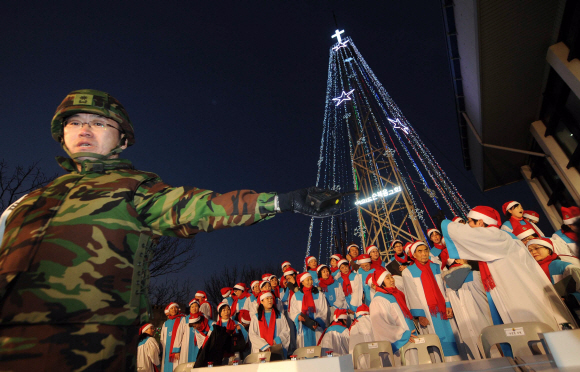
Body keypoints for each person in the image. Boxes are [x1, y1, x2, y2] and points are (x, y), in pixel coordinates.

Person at [0, 89, 341, 370]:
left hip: (84, 350)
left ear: (122, 141)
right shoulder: (28, 202)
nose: (85, 129)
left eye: (100, 123)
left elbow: (199, 208)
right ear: (63, 134)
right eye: (75, 122)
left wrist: (279, 202)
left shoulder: (134, 189)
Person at [440, 205, 577, 331]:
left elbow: (462, 234)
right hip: (516, 286)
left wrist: (444, 222)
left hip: (517, 290)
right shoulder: (501, 237)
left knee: (531, 326)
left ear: (481, 222)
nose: (468, 225)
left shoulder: (496, 236)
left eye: (470, 221)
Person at [402, 241, 461, 361]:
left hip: (443, 309)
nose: (424, 254)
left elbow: (444, 287)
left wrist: (448, 304)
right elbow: (411, 294)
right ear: (414, 254)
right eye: (420, 251)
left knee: (453, 338)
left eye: (426, 250)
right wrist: (420, 315)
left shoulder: (436, 267)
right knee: (435, 342)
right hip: (427, 312)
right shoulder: (408, 272)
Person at [442, 260, 495, 360]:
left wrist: (448, 305)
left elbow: (447, 296)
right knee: (489, 342)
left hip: (462, 316)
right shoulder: (476, 274)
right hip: (480, 312)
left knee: (471, 345)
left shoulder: (447, 280)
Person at [369, 268, 418, 366]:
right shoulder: (378, 300)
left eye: (391, 276)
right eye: (387, 278)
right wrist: (403, 335)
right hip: (401, 342)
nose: (392, 280)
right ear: (381, 282)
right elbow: (381, 326)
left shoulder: (396, 295)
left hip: (411, 338)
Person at [527, 238, 580, 324]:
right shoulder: (531, 271)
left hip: (573, 312)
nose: (533, 252)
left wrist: (569, 299)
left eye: (537, 248)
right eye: (529, 250)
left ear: (548, 250)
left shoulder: (564, 267)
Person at [289, 272, 328, 348]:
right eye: (307, 280)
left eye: (311, 279)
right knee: (304, 350)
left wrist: (318, 321)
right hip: (303, 327)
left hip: (317, 327)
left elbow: (323, 309)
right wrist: (298, 317)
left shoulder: (318, 294)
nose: (310, 281)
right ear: (302, 282)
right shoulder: (296, 295)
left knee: (318, 348)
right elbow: (293, 311)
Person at [249, 291, 291, 359]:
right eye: (267, 298)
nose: (270, 300)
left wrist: (278, 339)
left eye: (271, 298)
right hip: (261, 350)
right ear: (262, 301)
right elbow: (252, 334)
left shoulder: (279, 315)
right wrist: (264, 345)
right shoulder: (256, 317)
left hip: (276, 348)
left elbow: (286, 330)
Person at [160, 303, 186, 372]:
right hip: (167, 350)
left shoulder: (182, 319)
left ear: (178, 309)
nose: (174, 309)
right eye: (172, 308)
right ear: (169, 310)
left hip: (178, 349)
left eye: (175, 308)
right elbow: (162, 338)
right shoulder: (166, 323)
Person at [179, 299, 201, 364]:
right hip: (187, 345)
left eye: (196, 306)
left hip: (199, 344)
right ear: (190, 309)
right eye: (192, 307)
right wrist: (177, 349)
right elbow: (179, 333)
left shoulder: (203, 317)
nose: (194, 308)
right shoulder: (185, 319)